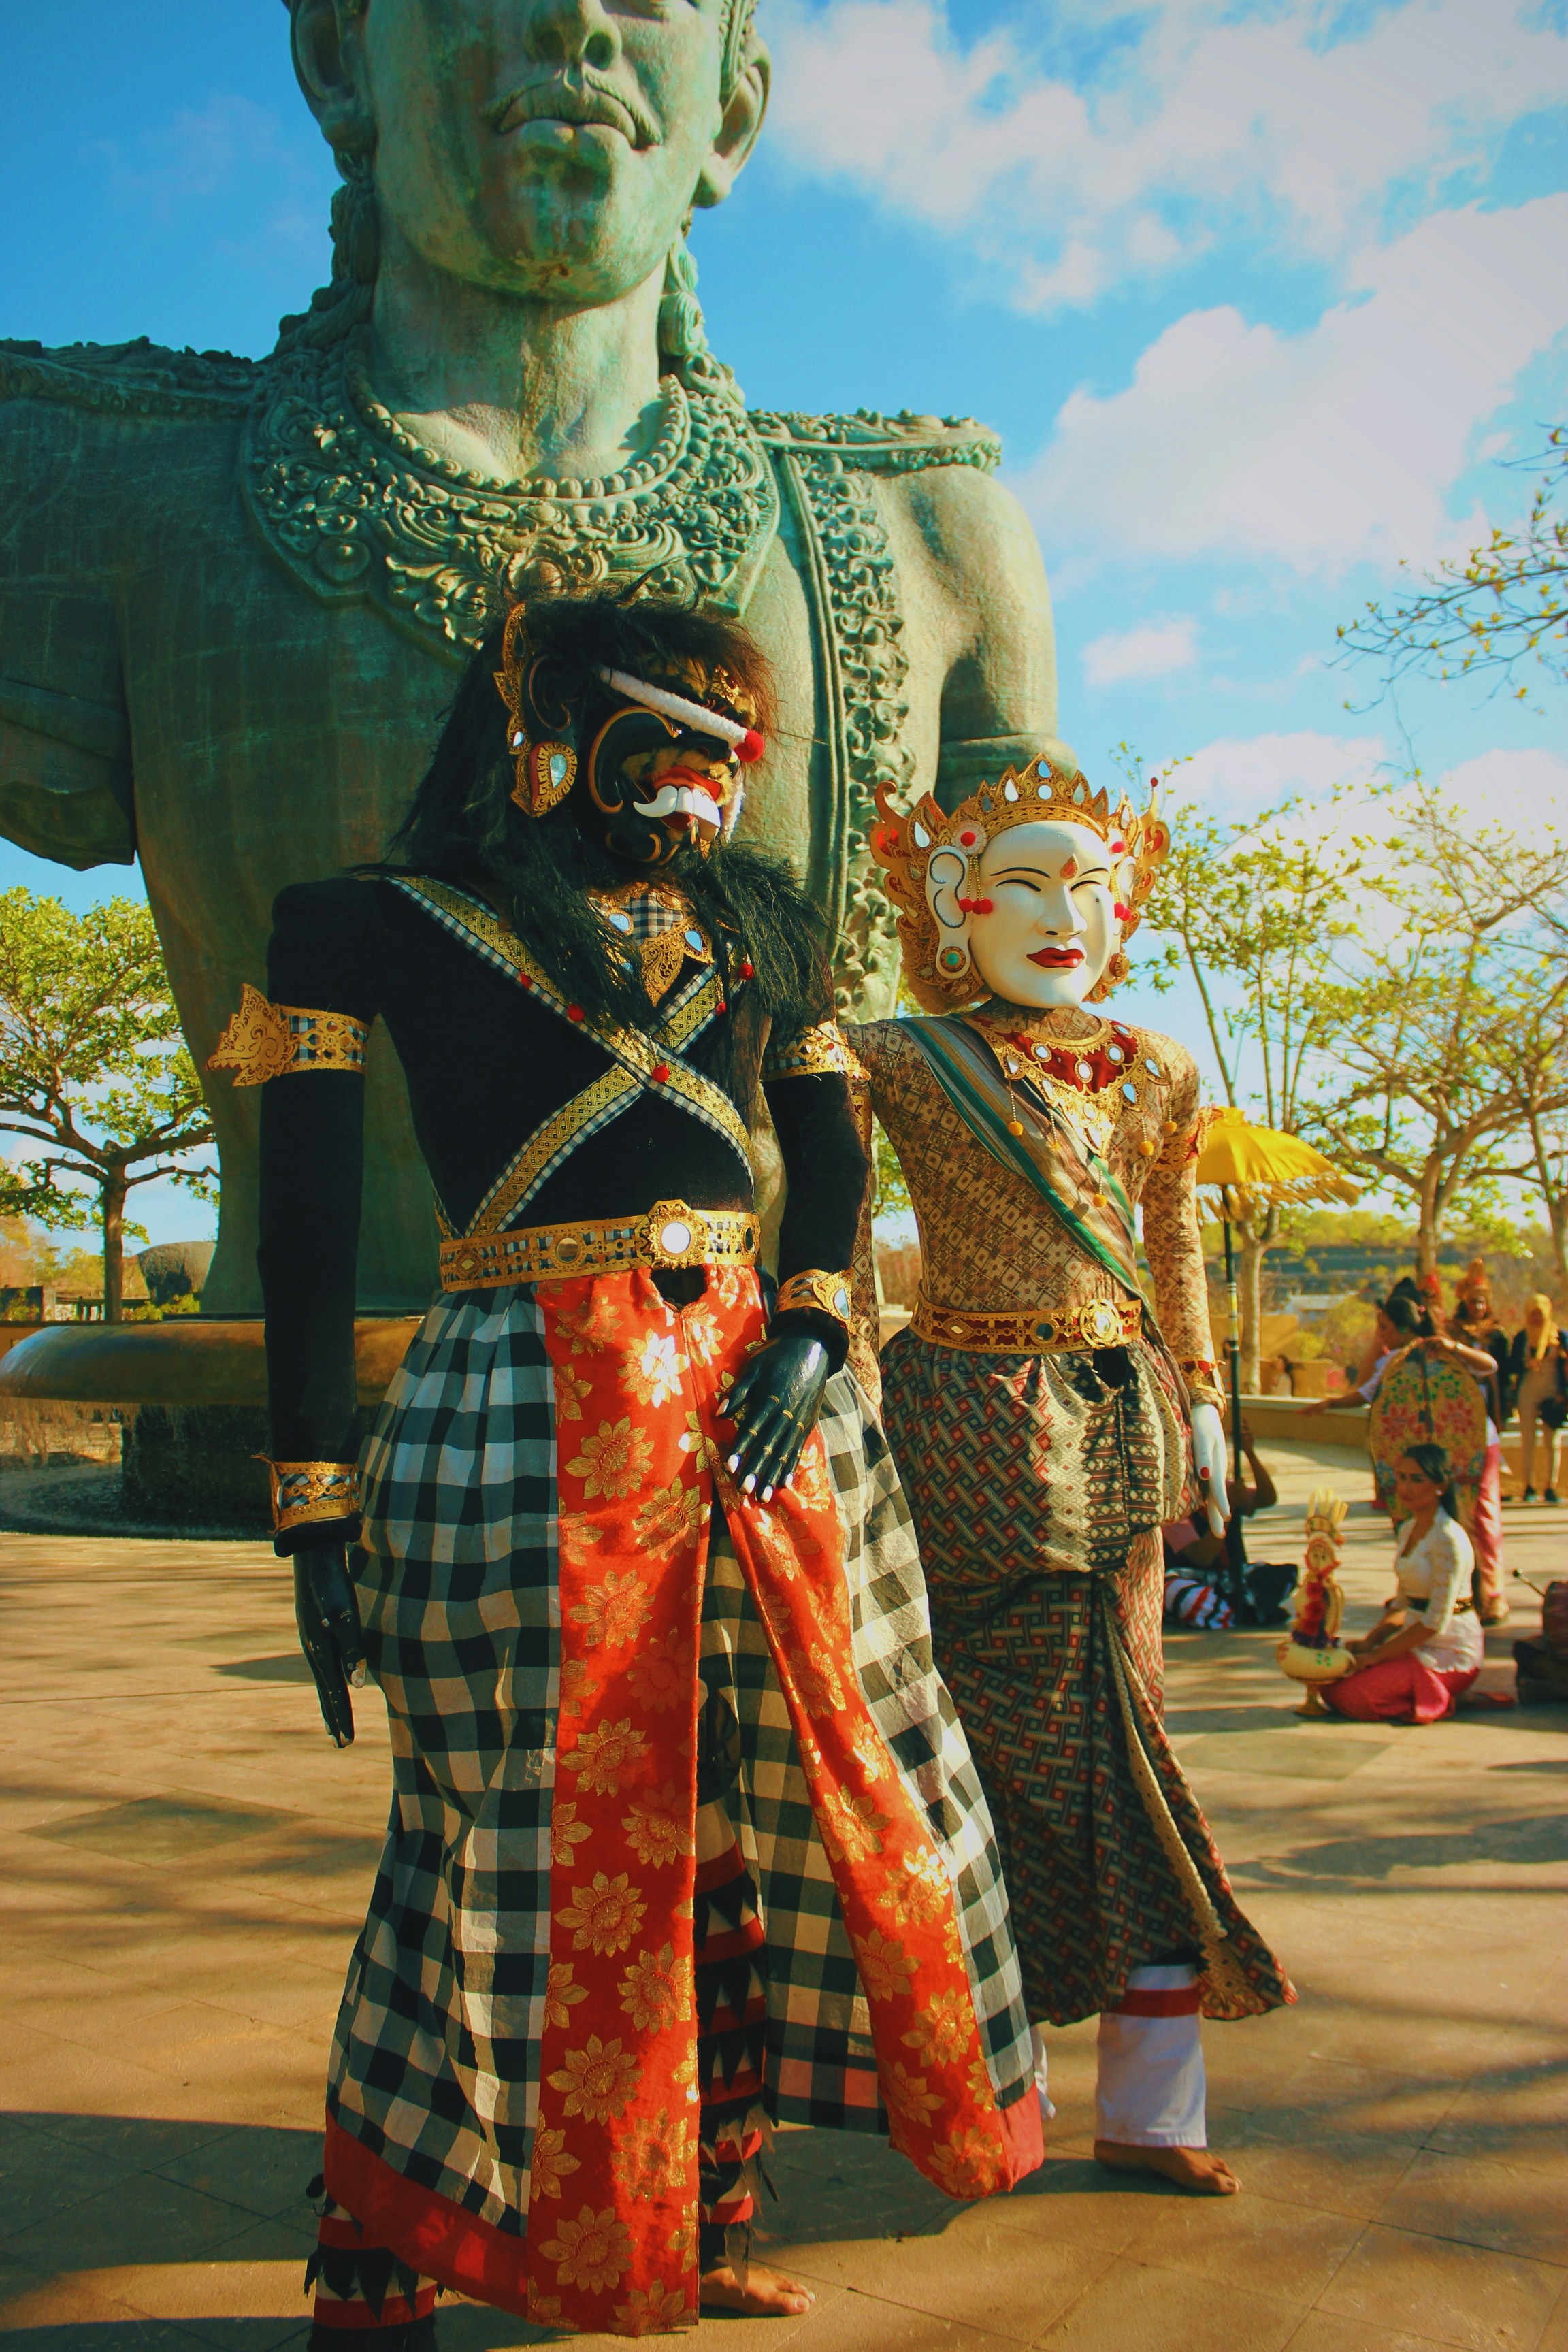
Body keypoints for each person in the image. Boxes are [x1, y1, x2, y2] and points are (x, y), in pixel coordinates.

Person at [216, 595, 1041, 2349]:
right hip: (513, 1408)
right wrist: (313, 1504)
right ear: (541, 732)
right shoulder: (367, 923)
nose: (695, 794)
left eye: (727, 761)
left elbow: (828, 1157)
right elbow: (300, 1227)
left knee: (757, 1802)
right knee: (486, 1832)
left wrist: (811, 1330)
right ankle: (382, 2255)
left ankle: (699, 2209)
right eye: (660, 746)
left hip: (762, 1414)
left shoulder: (765, 927)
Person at [851, 757, 1294, 2203]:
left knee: (1133, 1741)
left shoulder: (1157, 1066)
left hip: (1123, 1420)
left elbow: (1170, 1244)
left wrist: (1205, 1393)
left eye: (1092, 888)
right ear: (951, 903)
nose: (1062, 917)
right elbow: (838, 1239)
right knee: (976, 1763)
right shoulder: (892, 1058)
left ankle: (1153, 2113)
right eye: (1023, 886)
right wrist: (850, 1378)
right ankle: (988, 2089)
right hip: (959, 1426)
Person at [1325, 1444, 1483, 1722]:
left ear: (1440, 1487)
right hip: (1412, 1643)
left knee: (1349, 1697)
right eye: (1402, 1477)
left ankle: (1437, 1697)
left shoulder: (1448, 1538)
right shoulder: (1408, 1529)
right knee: (1329, 1683)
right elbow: (1402, 1603)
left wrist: (1378, 1656)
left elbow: (1435, 1622)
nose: (1406, 1488)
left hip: (1448, 1653)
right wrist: (1371, 1642)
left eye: (1417, 1479)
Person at [1162, 1421, 1285, 1630]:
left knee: (1281, 1575)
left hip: (1229, 1578)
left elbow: (1267, 1498)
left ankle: (1233, 1610)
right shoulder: (1174, 1503)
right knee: (1177, 1592)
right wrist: (1228, 1509)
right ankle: (1246, 1611)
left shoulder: (1222, 1487)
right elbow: (1203, 1557)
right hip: (1193, 1578)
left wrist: (1249, 1452)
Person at [1508, 1296, 1566, 1504]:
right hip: (1528, 1392)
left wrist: (1563, 1393)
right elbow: (1512, 1365)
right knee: (1528, 1440)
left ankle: (1551, 1487)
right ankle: (1529, 1486)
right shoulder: (1522, 1338)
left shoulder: (1559, 1336)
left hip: (1552, 1392)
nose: (1536, 1319)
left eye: (1540, 1314)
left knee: (1552, 1441)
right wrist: (1526, 1364)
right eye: (1533, 1314)